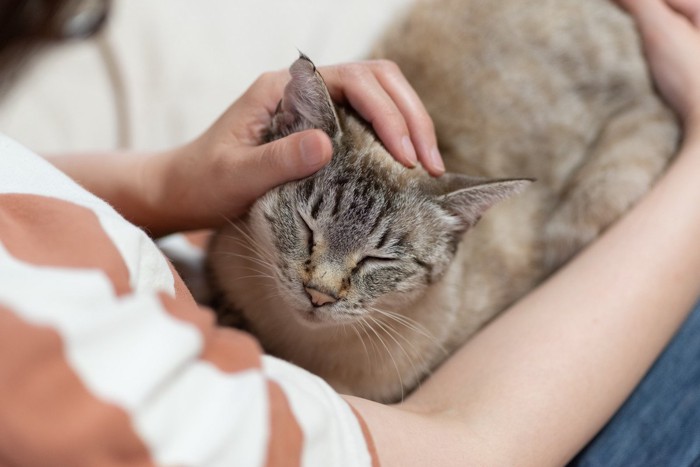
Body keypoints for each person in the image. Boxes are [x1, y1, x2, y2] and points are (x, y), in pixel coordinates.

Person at [0, 0, 698, 466]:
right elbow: (475, 446)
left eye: (374, 264)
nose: (323, 286)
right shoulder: (120, 417)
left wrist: (164, 183)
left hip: (597, 95)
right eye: (307, 237)